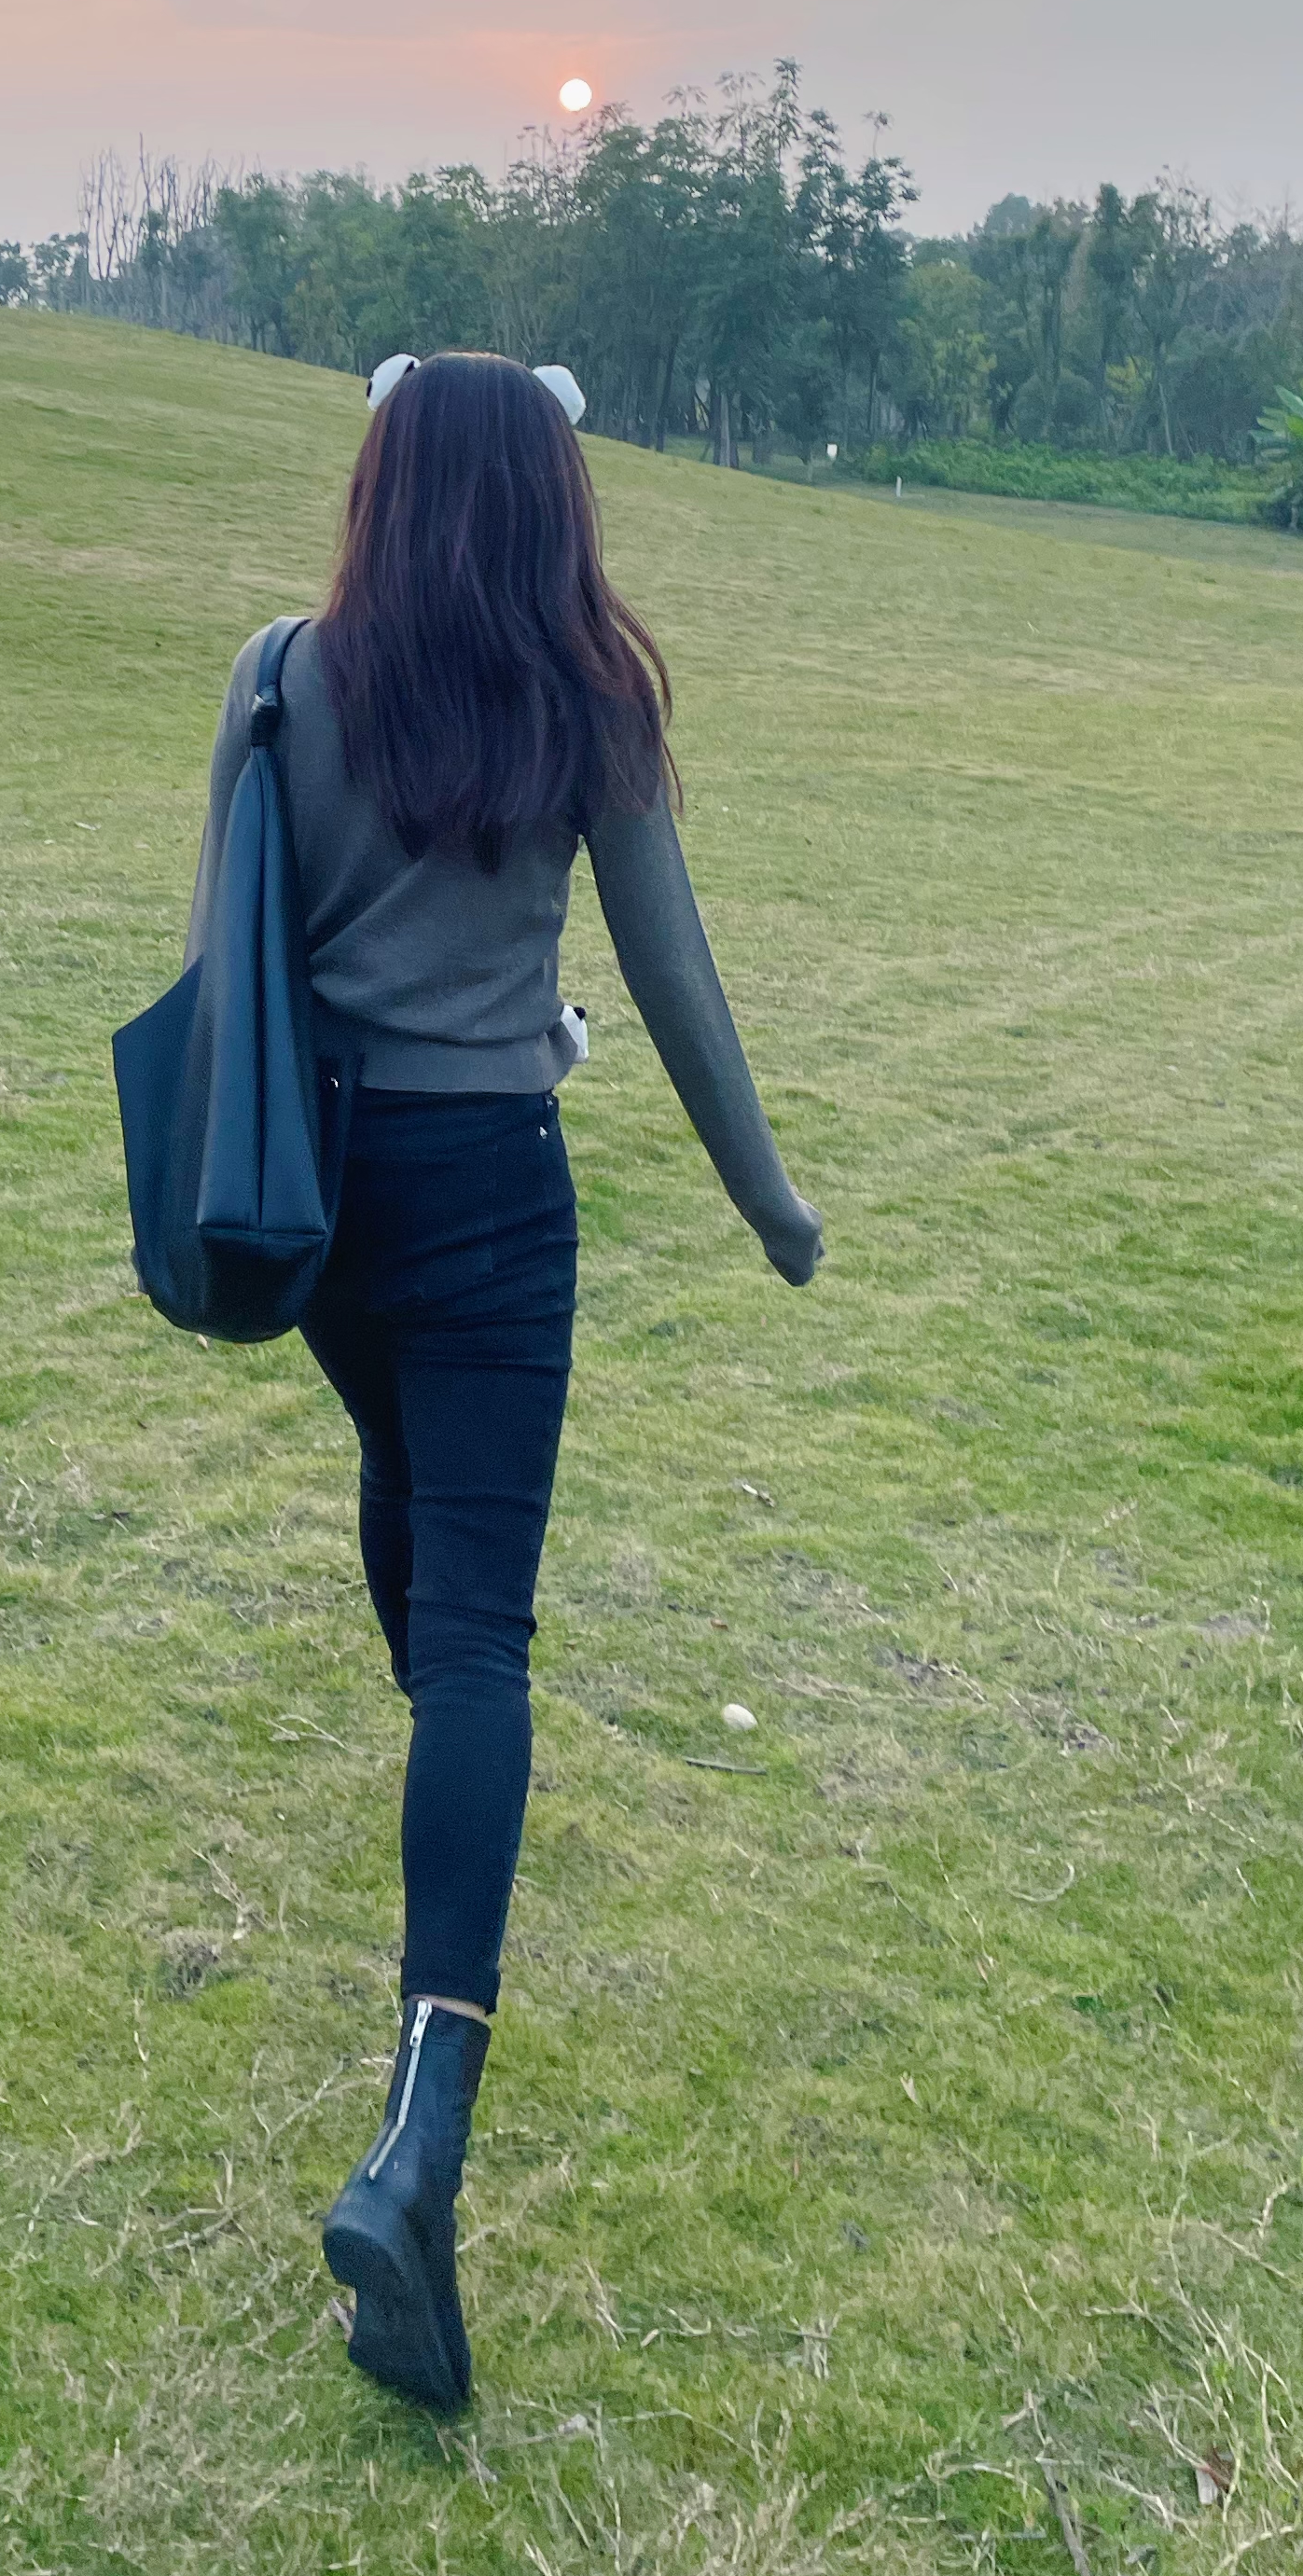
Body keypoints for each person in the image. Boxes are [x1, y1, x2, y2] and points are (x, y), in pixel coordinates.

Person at [181, 350, 823, 2414]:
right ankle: (420, 2142)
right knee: (475, 1644)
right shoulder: (588, 694)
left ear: (377, 479)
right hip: (486, 1191)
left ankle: (429, 1846)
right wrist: (773, 1203)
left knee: (413, 1511)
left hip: (320, 1208)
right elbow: (670, 969)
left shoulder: (284, 671)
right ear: (551, 494)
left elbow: (225, 949)